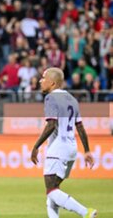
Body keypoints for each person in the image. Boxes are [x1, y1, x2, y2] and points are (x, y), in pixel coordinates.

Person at [31, 67, 97, 218]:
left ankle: (85, 212)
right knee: (54, 191)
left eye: (44, 78)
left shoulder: (50, 98)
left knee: (51, 191)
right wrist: (86, 150)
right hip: (71, 148)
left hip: (57, 149)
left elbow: (51, 124)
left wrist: (36, 147)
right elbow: (79, 126)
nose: (41, 81)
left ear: (52, 83)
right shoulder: (71, 99)